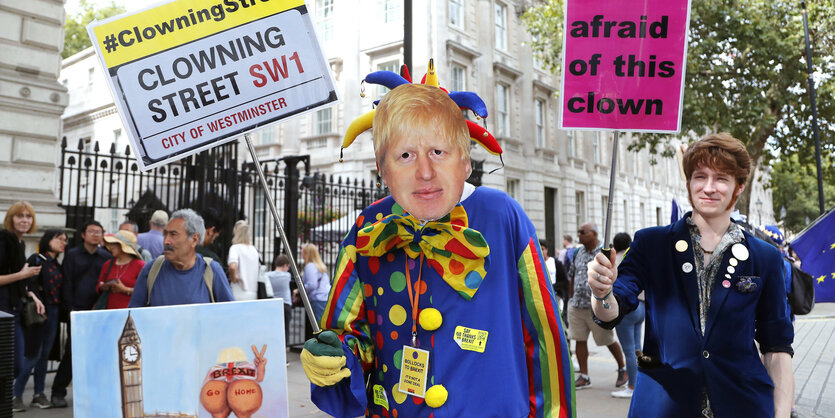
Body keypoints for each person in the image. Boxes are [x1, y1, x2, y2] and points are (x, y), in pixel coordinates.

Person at [300, 82, 574, 416]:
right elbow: (352, 336)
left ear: (465, 160)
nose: (425, 172)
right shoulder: (368, 227)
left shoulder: (502, 215)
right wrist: (335, 358)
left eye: (438, 152)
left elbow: (544, 335)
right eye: (405, 155)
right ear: (382, 168)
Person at [588, 133, 794, 417]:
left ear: (739, 186)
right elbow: (612, 309)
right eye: (700, 176)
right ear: (688, 183)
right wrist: (601, 293)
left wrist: (781, 414)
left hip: (743, 404)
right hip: (663, 405)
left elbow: (777, 347)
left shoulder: (765, 257)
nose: (709, 187)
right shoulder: (651, 244)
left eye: (721, 178)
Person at [52, 219, 111, 408]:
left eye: (99, 232)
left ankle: (91, 394)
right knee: (72, 351)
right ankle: (57, 392)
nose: (96, 234)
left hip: (99, 312)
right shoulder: (72, 255)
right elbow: (66, 282)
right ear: (83, 235)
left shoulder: (106, 257)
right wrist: (69, 308)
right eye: (92, 231)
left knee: (97, 354)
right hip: (76, 310)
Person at [129, 209, 233, 307]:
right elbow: (133, 317)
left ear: (194, 239)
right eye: (165, 234)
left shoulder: (212, 271)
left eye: (173, 234)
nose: (166, 241)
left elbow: (231, 315)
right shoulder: (151, 270)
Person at [568, 221, 626, 390]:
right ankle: (584, 376)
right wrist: (571, 298)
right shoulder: (578, 252)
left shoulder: (604, 253)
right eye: (579, 231)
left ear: (593, 233)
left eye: (583, 231)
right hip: (577, 305)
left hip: (596, 307)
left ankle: (622, 368)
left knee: (606, 339)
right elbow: (572, 275)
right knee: (578, 339)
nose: (579, 234)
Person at [13, 229, 67, 410]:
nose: (63, 242)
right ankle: (15, 395)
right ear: (48, 240)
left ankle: (38, 394)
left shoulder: (57, 264)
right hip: (39, 312)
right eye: (59, 239)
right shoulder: (37, 259)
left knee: (44, 355)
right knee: (32, 354)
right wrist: (35, 298)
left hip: (54, 312)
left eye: (65, 240)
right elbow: (25, 283)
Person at [1, 202, 44, 412]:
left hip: (14, 309)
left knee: (15, 365)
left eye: (28, 216)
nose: (25, 220)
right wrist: (23, 275)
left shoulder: (18, 242)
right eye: (20, 216)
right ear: (11, 218)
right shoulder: (4, 240)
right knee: (11, 365)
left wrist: (31, 294)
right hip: (2, 311)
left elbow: (17, 282)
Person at [610, 232, 644, 399]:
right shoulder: (636, 257)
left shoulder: (615, 261)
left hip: (625, 309)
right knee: (638, 348)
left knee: (629, 350)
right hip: (641, 307)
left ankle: (632, 386)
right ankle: (640, 383)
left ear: (614, 246)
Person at [97, 231, 145, 309]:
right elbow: (98, 287)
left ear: (123, 246)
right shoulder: (108, 264)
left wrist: (124, 289)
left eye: (114, 244)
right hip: (109, 312)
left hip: (130, 312)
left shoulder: (140, 265)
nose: (111, 247)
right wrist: (104, 286)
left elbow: (146, 291)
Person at [227, 220, 260, 301]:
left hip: (239, 290)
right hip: (253, 292)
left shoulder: (235, 248)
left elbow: (232, 267)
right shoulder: (254, 250)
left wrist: (233, 278)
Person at [299, 243, 330, 322]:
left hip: (318, 299)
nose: (301, 254)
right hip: (326, 297)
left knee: (319, 325)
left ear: (307, 254)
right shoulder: (320, 266)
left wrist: (300, 289)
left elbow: (312, 285)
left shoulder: (310, 266)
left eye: (302, 252)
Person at [266, 254, 292, 347]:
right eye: (288, 266)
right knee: (285, 330)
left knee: (274, 329)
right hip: (285, 304)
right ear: (285, 265)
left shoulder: (268, 275)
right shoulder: (287, 276)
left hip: (273, 304)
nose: (288, 269)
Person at [541, 239, 569, 310]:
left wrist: (554, 287)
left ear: (546, 250)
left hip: (555, 295)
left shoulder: (556, 263)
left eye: (542, 249)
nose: (541, 251)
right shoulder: (534, 264)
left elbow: (564, 280)